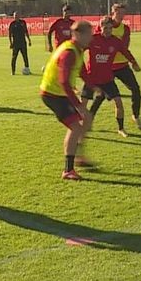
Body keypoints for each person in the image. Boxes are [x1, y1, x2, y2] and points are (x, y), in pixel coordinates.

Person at [39, 20, 95, 180]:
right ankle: (68, 170)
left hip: (61, 93)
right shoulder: (69, 52)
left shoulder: (77, 50)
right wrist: (79, 106)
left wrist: (94, 86)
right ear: (78, 35)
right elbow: (64, 82)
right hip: (53, 94)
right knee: (75, 127)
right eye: (89, 35)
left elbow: (82, 71)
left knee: (87, 120)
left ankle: (78, 156)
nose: (91, 38)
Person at [83, 16, 141, 138]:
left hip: (107, 79)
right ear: (100, 27)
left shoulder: (115, 41)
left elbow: (125, 52)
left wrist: (134, 62)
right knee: (82, 105)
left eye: (110, 28)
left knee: (119, 103)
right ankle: (80, 128)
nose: (108, 30)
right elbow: (78, 49)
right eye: (105, 27)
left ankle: (121, 129)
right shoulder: (93, 39)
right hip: (91, 78)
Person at [109, 3, 141, 130]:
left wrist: (133, 62)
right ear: (112, 13)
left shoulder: (126, 29)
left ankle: (136, 116)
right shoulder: (104, 26)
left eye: (123, 13)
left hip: (122, 65)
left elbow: (123, 46)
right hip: (107, 67)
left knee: (136, 89)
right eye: (118, 13)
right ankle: (89, 119)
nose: (121, 16)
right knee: (100, 95)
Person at [8, 11, 33, 75]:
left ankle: (27, 69)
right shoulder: (12, 24)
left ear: (19, 16)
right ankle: (13, 71)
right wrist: (10, 43)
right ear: (13, 16)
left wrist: (29, 40)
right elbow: (10, 35)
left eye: (17, 15)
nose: (16, 17)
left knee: (25, 57)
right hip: (16, 44)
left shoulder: (23, 22)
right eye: (15, 16)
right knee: (14, 57)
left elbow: (26, 32)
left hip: (23, 43)